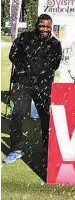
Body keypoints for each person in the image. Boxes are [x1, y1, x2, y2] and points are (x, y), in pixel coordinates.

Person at [4, 14, 62, 167]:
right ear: (37, 25)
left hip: (43, 86)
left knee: (46, 117)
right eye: (42, 26)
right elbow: (13, 55)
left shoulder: (55, 44)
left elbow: (55, 64)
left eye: (47, 27)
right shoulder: (24, 38)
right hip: (23, 83)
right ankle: (16, 149)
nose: (44, 29)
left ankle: (46, 149)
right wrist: (27, 70)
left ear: (51, 27)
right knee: (17, 115)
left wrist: (41, 73)